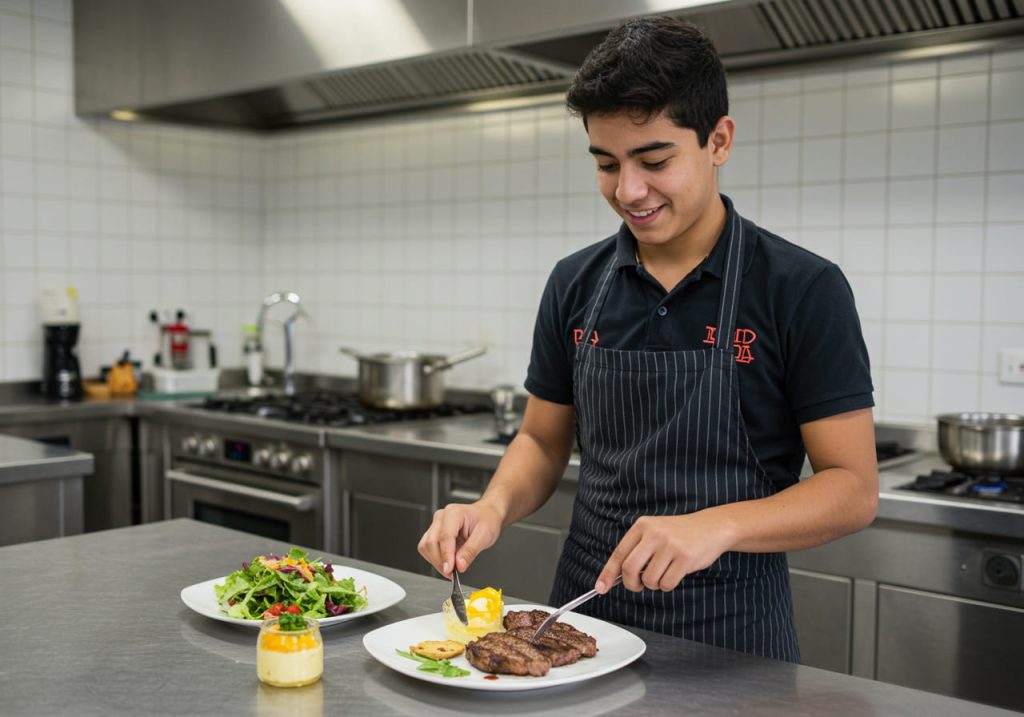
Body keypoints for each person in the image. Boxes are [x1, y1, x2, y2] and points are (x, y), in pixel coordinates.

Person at [418, 16, 877, 662]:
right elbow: (542, 439)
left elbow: (853, 487)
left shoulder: (800, 288)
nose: (628, 191)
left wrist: (718, 524)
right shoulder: (574, 283)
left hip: (731, 636)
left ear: (718, 141)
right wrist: (492, 506)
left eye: (654, 160)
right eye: (606, 164)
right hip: (579, 624)